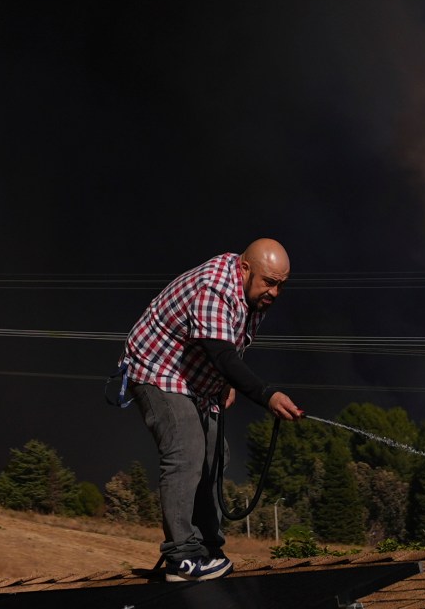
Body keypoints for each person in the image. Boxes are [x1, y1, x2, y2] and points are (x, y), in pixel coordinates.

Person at [120, 239, 306, 581]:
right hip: (157, 371)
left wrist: (227, 381)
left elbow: (229, 346)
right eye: (269, 282)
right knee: (186, 452)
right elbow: (221, 354)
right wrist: (267, 395)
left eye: (282, 284)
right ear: (245, 269)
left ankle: (207, 547)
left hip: (197, 379)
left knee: (216, 455)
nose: (275, 292)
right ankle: (182, 558)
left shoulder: (254, 296)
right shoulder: (213, 288)